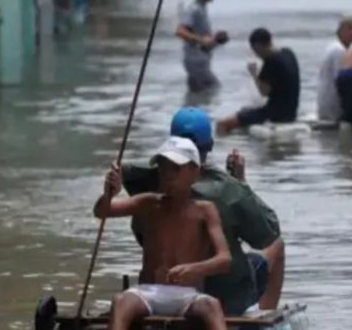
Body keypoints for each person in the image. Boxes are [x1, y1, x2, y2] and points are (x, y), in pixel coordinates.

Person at [113, 108, 285, 315]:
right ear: (210, 146)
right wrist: (241, 183)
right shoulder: (227, 190)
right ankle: (264, 318)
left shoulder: (146, 183)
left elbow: (137, 232)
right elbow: (267, 235)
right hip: (223, 297)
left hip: (164, 291)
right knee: (277, 245)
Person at [95, 137, 231, 330]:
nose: (168, 175)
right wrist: (109, 193)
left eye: (176, 168)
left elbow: (224, 259)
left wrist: (194, 269)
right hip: (148, 292)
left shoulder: (205, 210)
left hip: (189, 294)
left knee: (212, 305)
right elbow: (102, 211)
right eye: (163, 168)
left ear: (195, 172)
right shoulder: (149, 203)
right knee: (121, 301)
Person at [217, 28, 300, 135]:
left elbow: (264, 92)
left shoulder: (271, 61)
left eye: (255, 50)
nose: (256, 54)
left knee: (223, 124)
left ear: (258, 46)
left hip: (276, 114)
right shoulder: (288, 53)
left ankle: (217, 150)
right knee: (245, 111)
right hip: (291, 112)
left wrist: (254, 73)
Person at [176, 0, 228, 93]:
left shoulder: (201, 9)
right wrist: (202, 40)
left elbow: (200, 38)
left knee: (196, 96)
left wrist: (216, 39)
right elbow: (180, 31)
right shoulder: (193, 9)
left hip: (199, 60)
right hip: (196, 61)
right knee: (215, 90)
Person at [317, 16, 352, 122]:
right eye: (349, 28)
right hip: (333, 106)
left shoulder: (333, 46)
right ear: (340, 30)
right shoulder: (339, 50)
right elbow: (343, 82)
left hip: (325, 103)